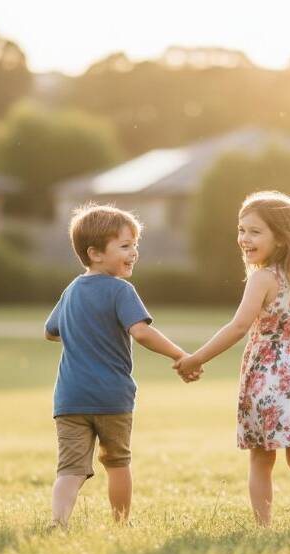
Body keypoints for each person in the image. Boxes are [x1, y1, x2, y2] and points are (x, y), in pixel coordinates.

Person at [174, 191, 290, 528]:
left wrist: (196, 358)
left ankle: (263, 527)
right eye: (242, 230)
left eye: (255, 231)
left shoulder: (263, 278)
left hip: (267, 379)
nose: (244, 239)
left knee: (261, 456)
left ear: (282, 238)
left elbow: (239, 326)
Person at [45, 202, 198, 529]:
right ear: (95, 253)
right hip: (112, 398)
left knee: (70, 469)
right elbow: (141, 332)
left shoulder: (70, 291)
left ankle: (58, 522)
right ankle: (120, 524)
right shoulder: (120, 290)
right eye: (126, 246)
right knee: (117, 463)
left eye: (136, 245)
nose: (135, 252)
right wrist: (179, 355)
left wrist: (83, 332)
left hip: (70, 399)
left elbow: (50, 331)